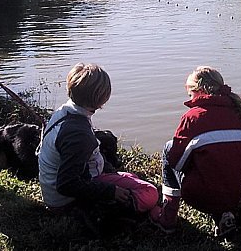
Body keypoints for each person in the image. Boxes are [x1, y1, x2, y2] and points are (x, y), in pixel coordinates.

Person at [38, 63, 158, 232]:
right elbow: (66, 184)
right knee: (150, 192)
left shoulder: (66, 111)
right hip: (65, 202)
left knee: (129, 176)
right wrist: (111, 191)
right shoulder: (78, 134)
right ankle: (116, 211)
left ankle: (122, 198)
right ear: (102, 98)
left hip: (60, 192)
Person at [150, 66, 241, 238]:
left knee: (169, 149)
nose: (189, 98)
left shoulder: (193, 117)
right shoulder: (240, 114)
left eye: (190, 94)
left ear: (199, 91)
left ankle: (167, 218)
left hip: (201, 197)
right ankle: (223, 215)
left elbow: (176, 163)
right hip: (235, 194)